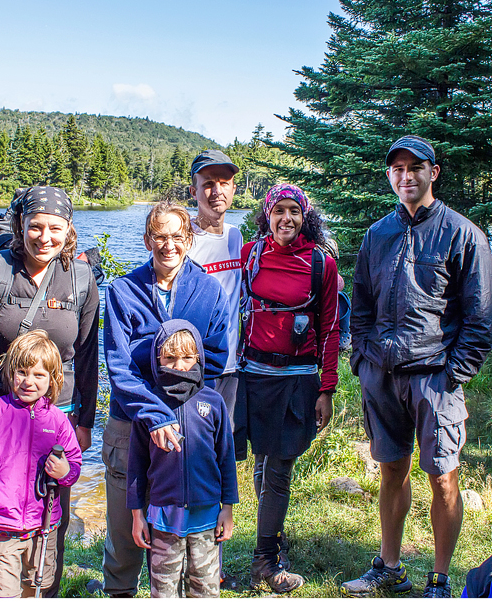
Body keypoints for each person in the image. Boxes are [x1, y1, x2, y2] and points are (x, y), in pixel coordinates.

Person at [341, 135, 492, 598]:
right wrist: (363, 360)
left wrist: (454, 374)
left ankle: (440, 579)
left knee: (444, 476)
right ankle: (389, 567)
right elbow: (362, 303)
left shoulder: (462, 233)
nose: (406, 176)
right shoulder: (377, 234)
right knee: (392, 470)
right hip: (382, 376)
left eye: (415, 168)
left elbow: (483, 315)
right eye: (397, 169)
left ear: (434, 172)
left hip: (435, 377)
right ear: (390, 176)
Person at [0, 185, 98, 597]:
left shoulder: (80, 280)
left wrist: (85, 422)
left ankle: (41, 595)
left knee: (51, 512)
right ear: (20, 225)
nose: (45, 237)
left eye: (55, 228)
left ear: (69, 230)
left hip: (56, 415)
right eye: (36, 226)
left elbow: (86, 356)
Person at [102, 200, 230, 597]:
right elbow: (119, 367)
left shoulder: (209, 290)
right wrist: (156, 413)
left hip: (189, 423)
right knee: (127, 528)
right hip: (131, 421)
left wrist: (179, 402)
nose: (168, 245)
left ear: (189, 239)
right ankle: (122, 593)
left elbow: (217, 355)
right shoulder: (123, 292)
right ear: (146, 240)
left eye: (177, 236)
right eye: (160, 236)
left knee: (191, 514)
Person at [238, 183, 340, 593]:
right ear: (267, 214)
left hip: (297, 379)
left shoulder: (320, 263)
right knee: (263, 463)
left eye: (294, 212)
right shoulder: (251, 255)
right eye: (279, 211)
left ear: (305, 217)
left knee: (278, 468)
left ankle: (265, 559)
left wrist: (327, 388)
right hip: (254, 375)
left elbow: (331, 328)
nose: (286, 219)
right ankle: (269, 546)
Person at [0, 330, 83, 598]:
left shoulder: (57, 420)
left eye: (39, 375)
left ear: (53, 380)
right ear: (10, 373)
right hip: (2, 527)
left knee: (36, 589)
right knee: (1, 595)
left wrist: (65, 472)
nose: (29, 381)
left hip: (44, 528)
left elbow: (74, 465)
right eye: (22, 372)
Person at [127, 320, 239, 598]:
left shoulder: (213, 403)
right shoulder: (149, 406)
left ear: (199, 357)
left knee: (205, 590)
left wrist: (228, 508)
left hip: (207, 515)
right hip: (163, 518)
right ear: (157, 360)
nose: (179, 366)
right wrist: (137, 515)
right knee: (163, 592)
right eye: (170, 358)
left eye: (188, 358)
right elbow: (136, 467)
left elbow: (226, 457)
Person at [186, 149, 242, 420]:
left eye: (223, 183)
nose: (217, 190)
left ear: (233, 189)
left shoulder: (235, 236)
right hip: (194, 368)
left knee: (224, 443)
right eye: (208, 183)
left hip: (231, 366)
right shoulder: (182, 240)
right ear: (193, 191)